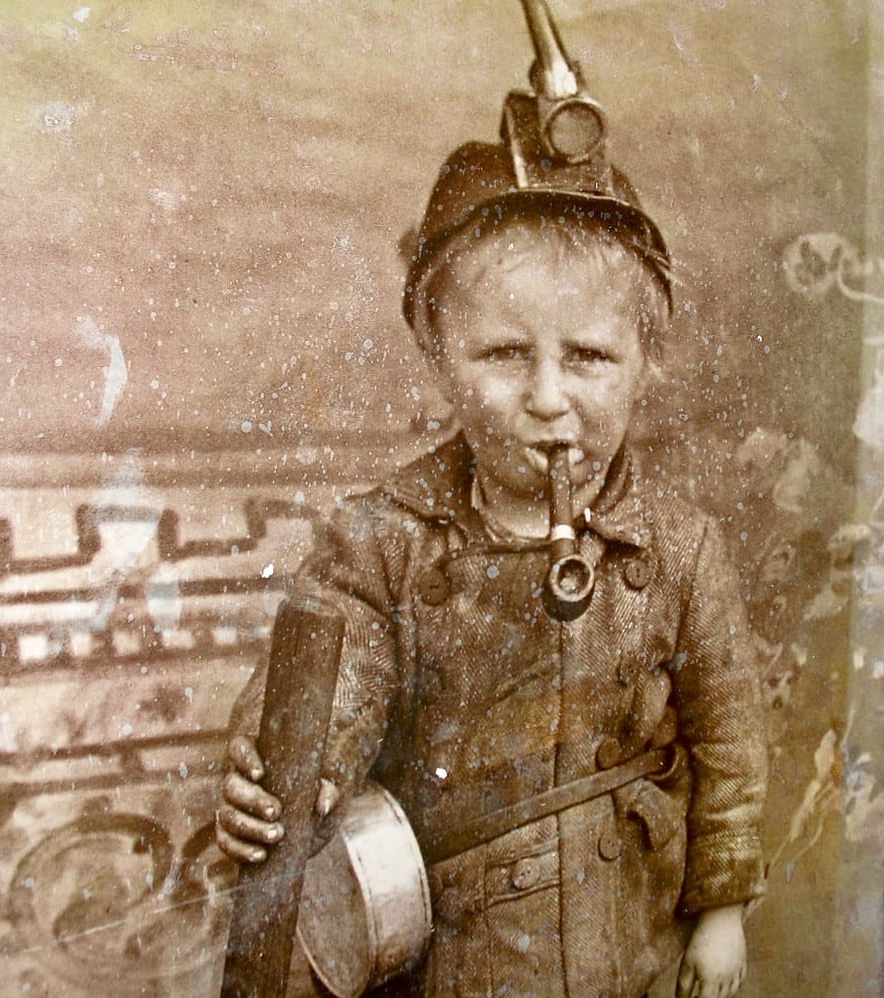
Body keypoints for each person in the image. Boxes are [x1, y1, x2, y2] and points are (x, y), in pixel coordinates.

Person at [216, 135, 766, 998]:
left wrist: (723, 906)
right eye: (505, 355)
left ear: (644, 363)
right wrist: (282, 773)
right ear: (439, 357)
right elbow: (330, 675)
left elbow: (728, 736)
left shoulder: (681, 549)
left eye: (588, 356)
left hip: (628, 924)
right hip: (461, 943)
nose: (548, 399)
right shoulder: (382, 538)